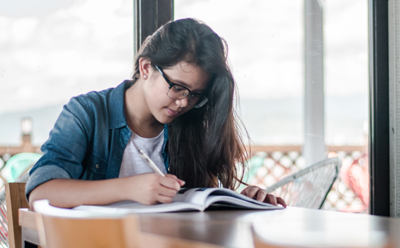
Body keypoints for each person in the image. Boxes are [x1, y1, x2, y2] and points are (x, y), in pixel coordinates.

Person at [26, 18, 286, 209]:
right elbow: (41, 192)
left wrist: (244, 200)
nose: (184, 103)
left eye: (195, 94)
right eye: (178, 88)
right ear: (147, 67)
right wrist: (130, 187)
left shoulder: (188, 125)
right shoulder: (87, 113)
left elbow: (202, 205)